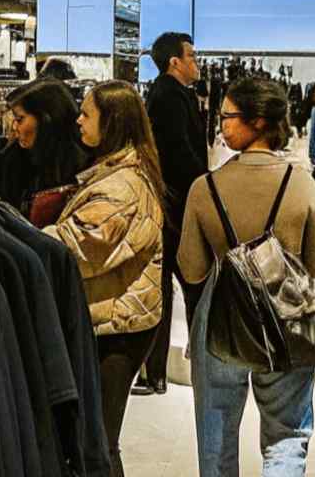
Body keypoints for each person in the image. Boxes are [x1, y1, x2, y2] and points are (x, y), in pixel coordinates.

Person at [176, 77, 315, 477]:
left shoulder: (204, 187)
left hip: (220, 317)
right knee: (286, 434)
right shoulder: (301, 183)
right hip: (286, 312)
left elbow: (191, 269)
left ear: (258, 121)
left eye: (229, 116)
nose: (221, 124)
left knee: (216, 436)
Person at [42, 81, 167, 477]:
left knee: (98, 443)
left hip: (117, 327)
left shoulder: (120, 188)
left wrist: (8, 237)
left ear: (110, 121)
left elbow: (76, 248)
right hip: (119, 319)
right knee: (98, 440)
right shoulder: (124, 170)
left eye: (86, 113)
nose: (78, 120)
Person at [139, 31, 208, 395]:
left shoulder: (174, 94)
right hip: (175, 207)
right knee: (189, 282)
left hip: (176, 204)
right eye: (192, 56)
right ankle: (176, 367)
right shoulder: (168, 97)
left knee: (176, 285)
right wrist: (204, 187)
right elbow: (178, 153)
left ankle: (158, 372)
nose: (197, 62)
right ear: (175, 62)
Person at [6, 79, 90, 226]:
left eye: (20, 119)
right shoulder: (15, 158)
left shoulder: (85, 170)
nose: (14, 127)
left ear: (46, 120)